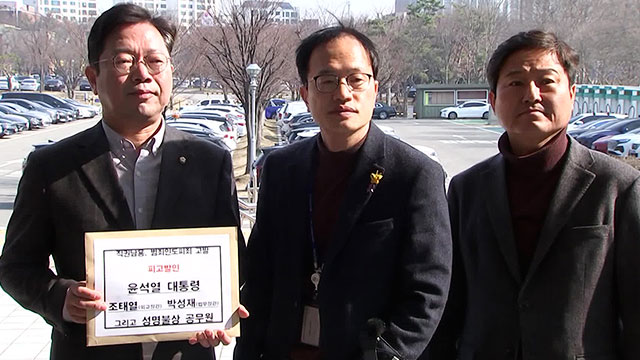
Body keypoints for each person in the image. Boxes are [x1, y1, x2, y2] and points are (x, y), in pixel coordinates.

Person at [0, 4, 245, 360]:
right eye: (123, 61)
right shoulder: (51, 167)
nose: (143, 74)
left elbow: (233, 259)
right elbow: (15, 267)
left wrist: (219, 308)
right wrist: (60, 298)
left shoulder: (209, 162)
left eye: (155, 61)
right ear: (92, 77)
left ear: (171, 72)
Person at [231, 25, 452, 360]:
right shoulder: (281, 169)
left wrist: (384, 353)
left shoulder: (414, 175)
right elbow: (261, 275)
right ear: (305, 93)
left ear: (374, 89)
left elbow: (428, 290)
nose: (343, 93)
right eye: (327, 80)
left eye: (356, 79)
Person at [427, 30, 640, 359]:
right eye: (515, 83)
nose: (531, 95)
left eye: (546, 81)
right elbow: (448, 304)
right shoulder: (467, 189)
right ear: (493, 101)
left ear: (571, 94)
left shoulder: (617, 187)